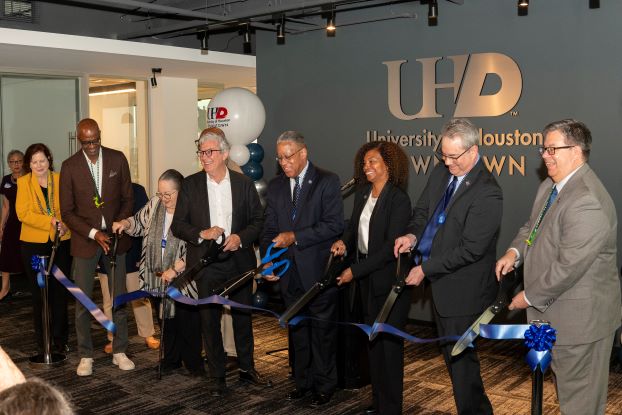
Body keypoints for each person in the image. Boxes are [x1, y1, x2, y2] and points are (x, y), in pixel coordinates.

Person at [495, 119, 621, 415]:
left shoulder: (586, 200)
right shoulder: (550, 186)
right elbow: (532, 227)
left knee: (580, 404)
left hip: (580, 324)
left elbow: (568, 267)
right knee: (563, 391)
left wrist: (527, 296)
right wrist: (514, 252)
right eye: (543, 148)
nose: (544, 155)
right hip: (552, 316)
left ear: (576, 151)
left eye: (552, 148)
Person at [394, 118, 502, 415]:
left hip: (463, 290)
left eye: (454, 156)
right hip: (442, 287)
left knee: (462, 362)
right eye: (443, 154)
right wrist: (412, 235)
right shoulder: (443, 173)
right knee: (452, 358)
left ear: (473, 151)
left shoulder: (488, 191)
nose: (447, 162)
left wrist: (426, 269)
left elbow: (471, 249)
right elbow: (424, 211)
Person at [172, 127, 268, 396]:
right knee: (209, 321)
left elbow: (258, 222)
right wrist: (201, 233)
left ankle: (247, 370)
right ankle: (217, 377)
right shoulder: (190, 185)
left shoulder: (243, 184)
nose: (204, 157)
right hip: (206, 263)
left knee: (242, 317)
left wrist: (240, 237)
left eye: (210, 152)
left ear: (224, 154)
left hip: (238, 260)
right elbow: (178, 225)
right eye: (201, 152)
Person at [261, 130, 344, 408]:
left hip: (318, 272)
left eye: (288, 157)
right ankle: (303, 383)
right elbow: (270, 227)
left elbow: (334, 225)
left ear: (303, 153)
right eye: (279, 158)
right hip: (289, 272)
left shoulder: (327, 181)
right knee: (297, 331)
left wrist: (295, 237)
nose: (284, 163)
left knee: (322, 333)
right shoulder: (275, 187)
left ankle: (325, 386)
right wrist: (269, 259)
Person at [331, 141, 411, 415]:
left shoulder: (399, 199)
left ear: (388, 165)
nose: (366, 167)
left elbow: (390, 248)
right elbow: (353, 229)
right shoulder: (363, 194)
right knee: (373, 344)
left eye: (373, 162)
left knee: (389, 349)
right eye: (365, 162)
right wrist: (344, 243)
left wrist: (355, 271)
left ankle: (391, 408)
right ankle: (379, 402)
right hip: (366, 281)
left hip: (388, 283)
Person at [60, 118, 134, 376]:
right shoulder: (69, 167)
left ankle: (120, 350)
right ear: (79, 140)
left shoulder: (117, 159)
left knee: (119, 299)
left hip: (115, 239)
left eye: (95, 141)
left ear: (100, 136)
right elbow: (67, 212)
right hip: (84, 241)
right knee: (83, 300)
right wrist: (94, 233)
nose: (91, 146)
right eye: (86, 142)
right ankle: (85, 355)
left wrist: (118, 223)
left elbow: (128, 197)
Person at [113, 170, 204, 376]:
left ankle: (193, 362)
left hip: (183, 276)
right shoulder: (155, 204)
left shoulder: (192, 209)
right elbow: (138, 222)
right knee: (165, 320)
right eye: (160, 193)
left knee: (187, 320)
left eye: (168, 195)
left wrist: (176, 269)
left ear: (181, 191)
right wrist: (125, 223)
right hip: (157, 274)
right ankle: (171, 359)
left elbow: (196, 246)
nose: (163, 199)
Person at [16, 143, 72, 355]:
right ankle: (43, 340)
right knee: (40, 293)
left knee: (59, 292)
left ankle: (60, 339)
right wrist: (50, 220)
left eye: (42, 160)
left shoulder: (60, 180)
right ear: (29, 164)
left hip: (61, 241)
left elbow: (69, 207)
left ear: (49, 159)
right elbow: (23, 214)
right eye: (34, 161)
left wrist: (65, 222)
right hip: (33, 245)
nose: (39, 165)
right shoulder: (23, 183)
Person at [100, 182, 159, 354]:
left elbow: (146, 224)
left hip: (132, 253)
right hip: (106, 252)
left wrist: (143, 255)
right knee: (109, 299)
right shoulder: (99, 191)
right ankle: (113, 337)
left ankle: (148, 334)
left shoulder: (137, 190)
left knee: (139, 297)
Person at [0, 150, 25, 301]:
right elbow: (5, 206)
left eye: (19, 161)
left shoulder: (29, 178)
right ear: (9, 164)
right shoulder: (5, 180)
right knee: (6, 255)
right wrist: (1, 226)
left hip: (27, 223)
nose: (16, 164)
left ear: (23, 162)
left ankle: (37, 287)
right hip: (12, 223)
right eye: (12, 161)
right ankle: (5, 288)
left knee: (28, 256)